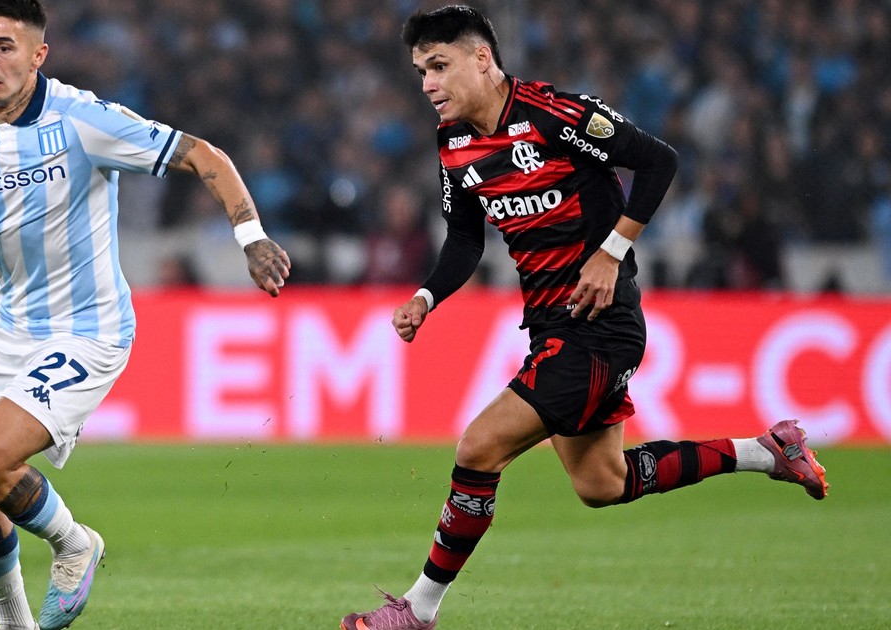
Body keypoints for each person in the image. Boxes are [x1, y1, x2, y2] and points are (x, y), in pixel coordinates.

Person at [341, 7, 827, 630]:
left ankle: (417, 611)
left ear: (482, 59)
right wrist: (427, 297)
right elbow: (464, 239)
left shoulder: (556, 115)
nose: (429, 84)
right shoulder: (454, 144)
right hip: (551, 326)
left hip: (601, 325)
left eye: (439, 66)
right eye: (420, 72)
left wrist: (612, 250)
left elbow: (658, 161)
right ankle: (767, 451)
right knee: (603, 482)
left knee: (478, 447)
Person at [0, 2, 290, 629]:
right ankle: (14, 624)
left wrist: (251, 238)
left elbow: (205, 156)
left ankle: (74, 544)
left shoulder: (81, 119)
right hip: (9, 325)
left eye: (5, 46)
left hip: (88, 330)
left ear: (38, 54)